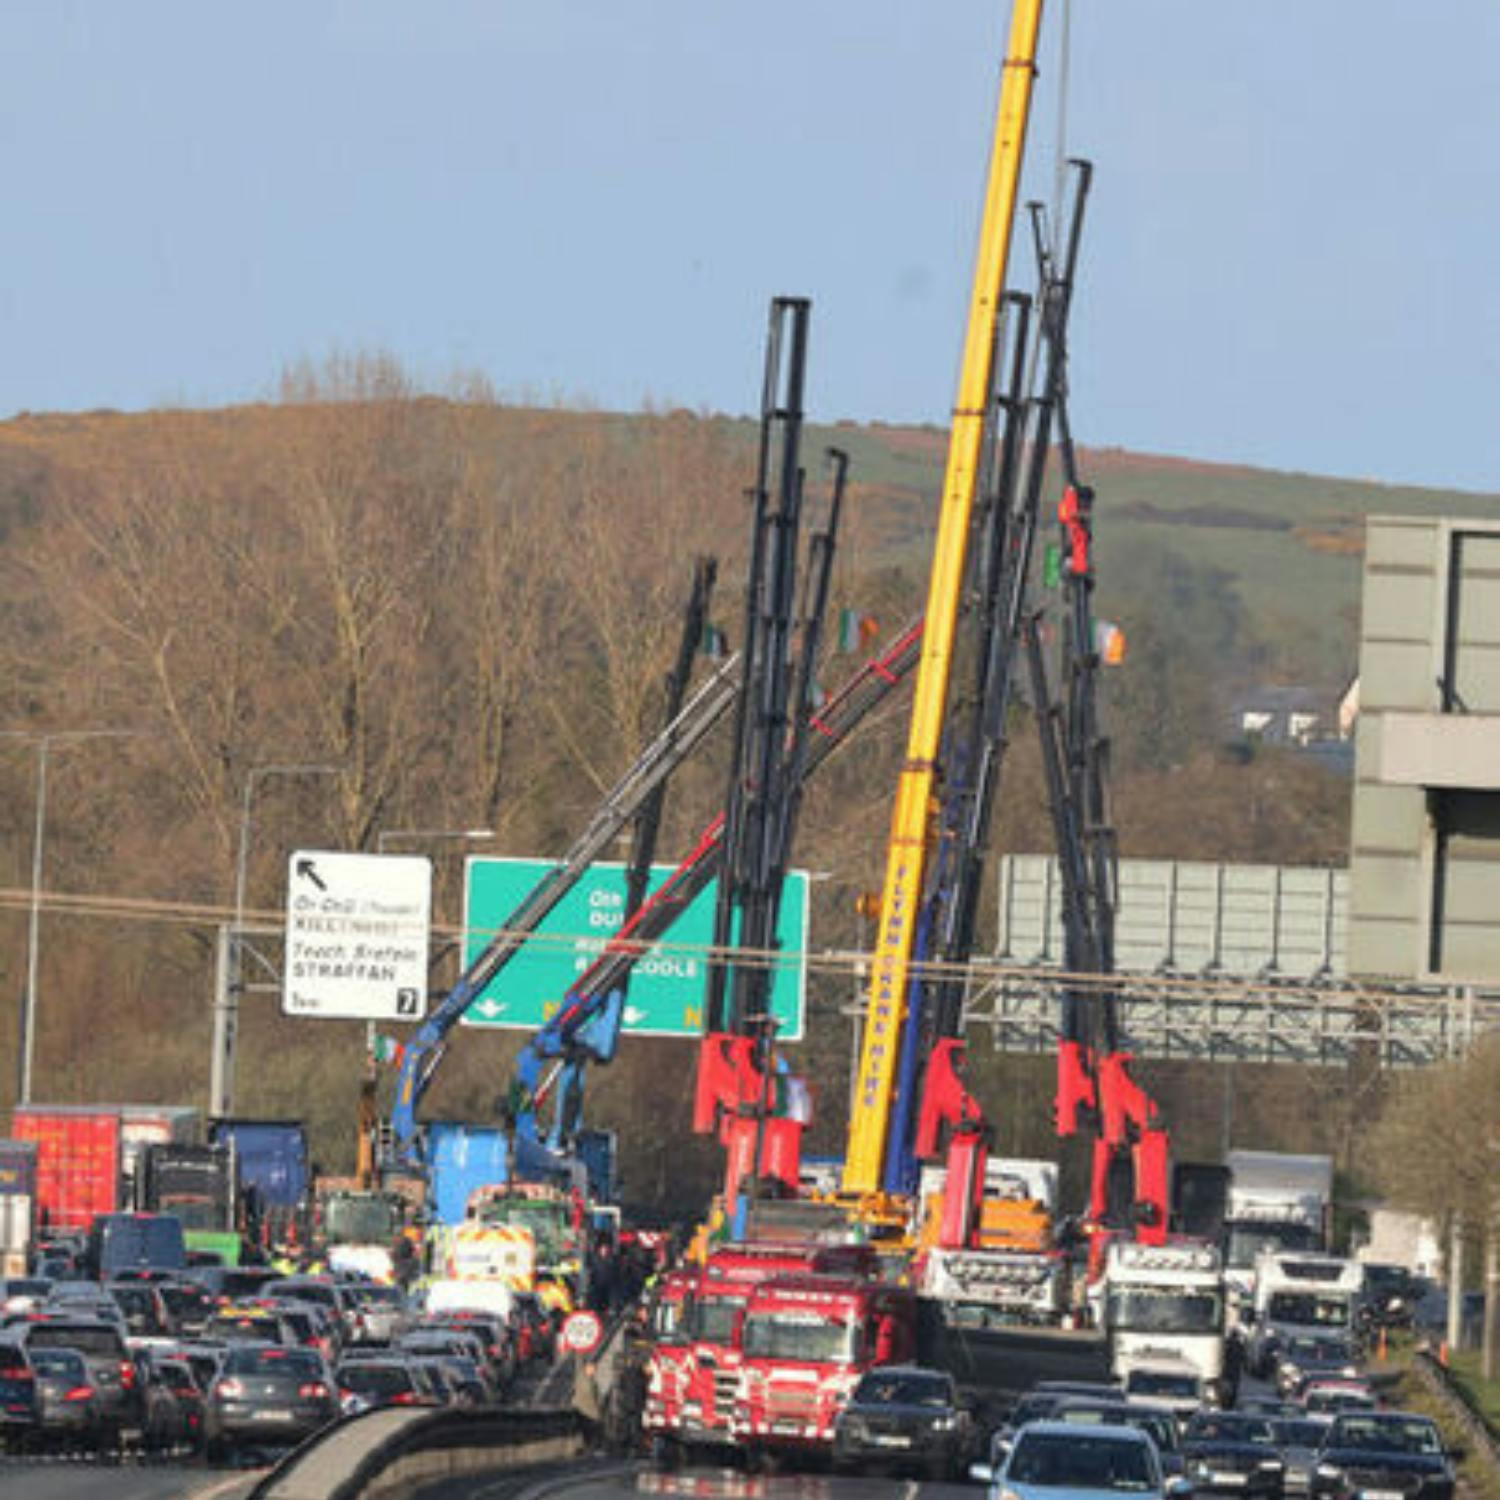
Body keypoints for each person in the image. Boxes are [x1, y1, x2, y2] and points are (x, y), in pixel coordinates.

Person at [572, 1357, 603, 1450]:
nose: (595, 1370)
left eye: (595, 1368)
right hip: (585, 1410)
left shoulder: (592, 1380)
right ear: (587, 1368)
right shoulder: (583, 1379)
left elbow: (597, 1395)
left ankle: (589, 1447)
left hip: (589, 1410)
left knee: (589, 1432)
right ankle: (587, 1447)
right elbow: (588, 1394)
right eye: (593, 1368)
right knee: (587, 1431)